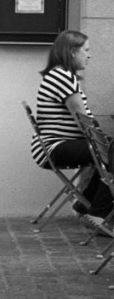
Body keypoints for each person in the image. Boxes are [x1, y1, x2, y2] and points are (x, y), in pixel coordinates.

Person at [32, 30, 112, 232]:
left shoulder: (60, 75)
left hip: (54, 145)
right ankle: (98, 215)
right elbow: (82, 119)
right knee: (111, 151)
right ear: (71, 52)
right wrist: (105, 141)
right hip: (54, 147)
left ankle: (87, 204)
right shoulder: (63, 76)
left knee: (109, 151)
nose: (90, 55)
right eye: (86, 50)